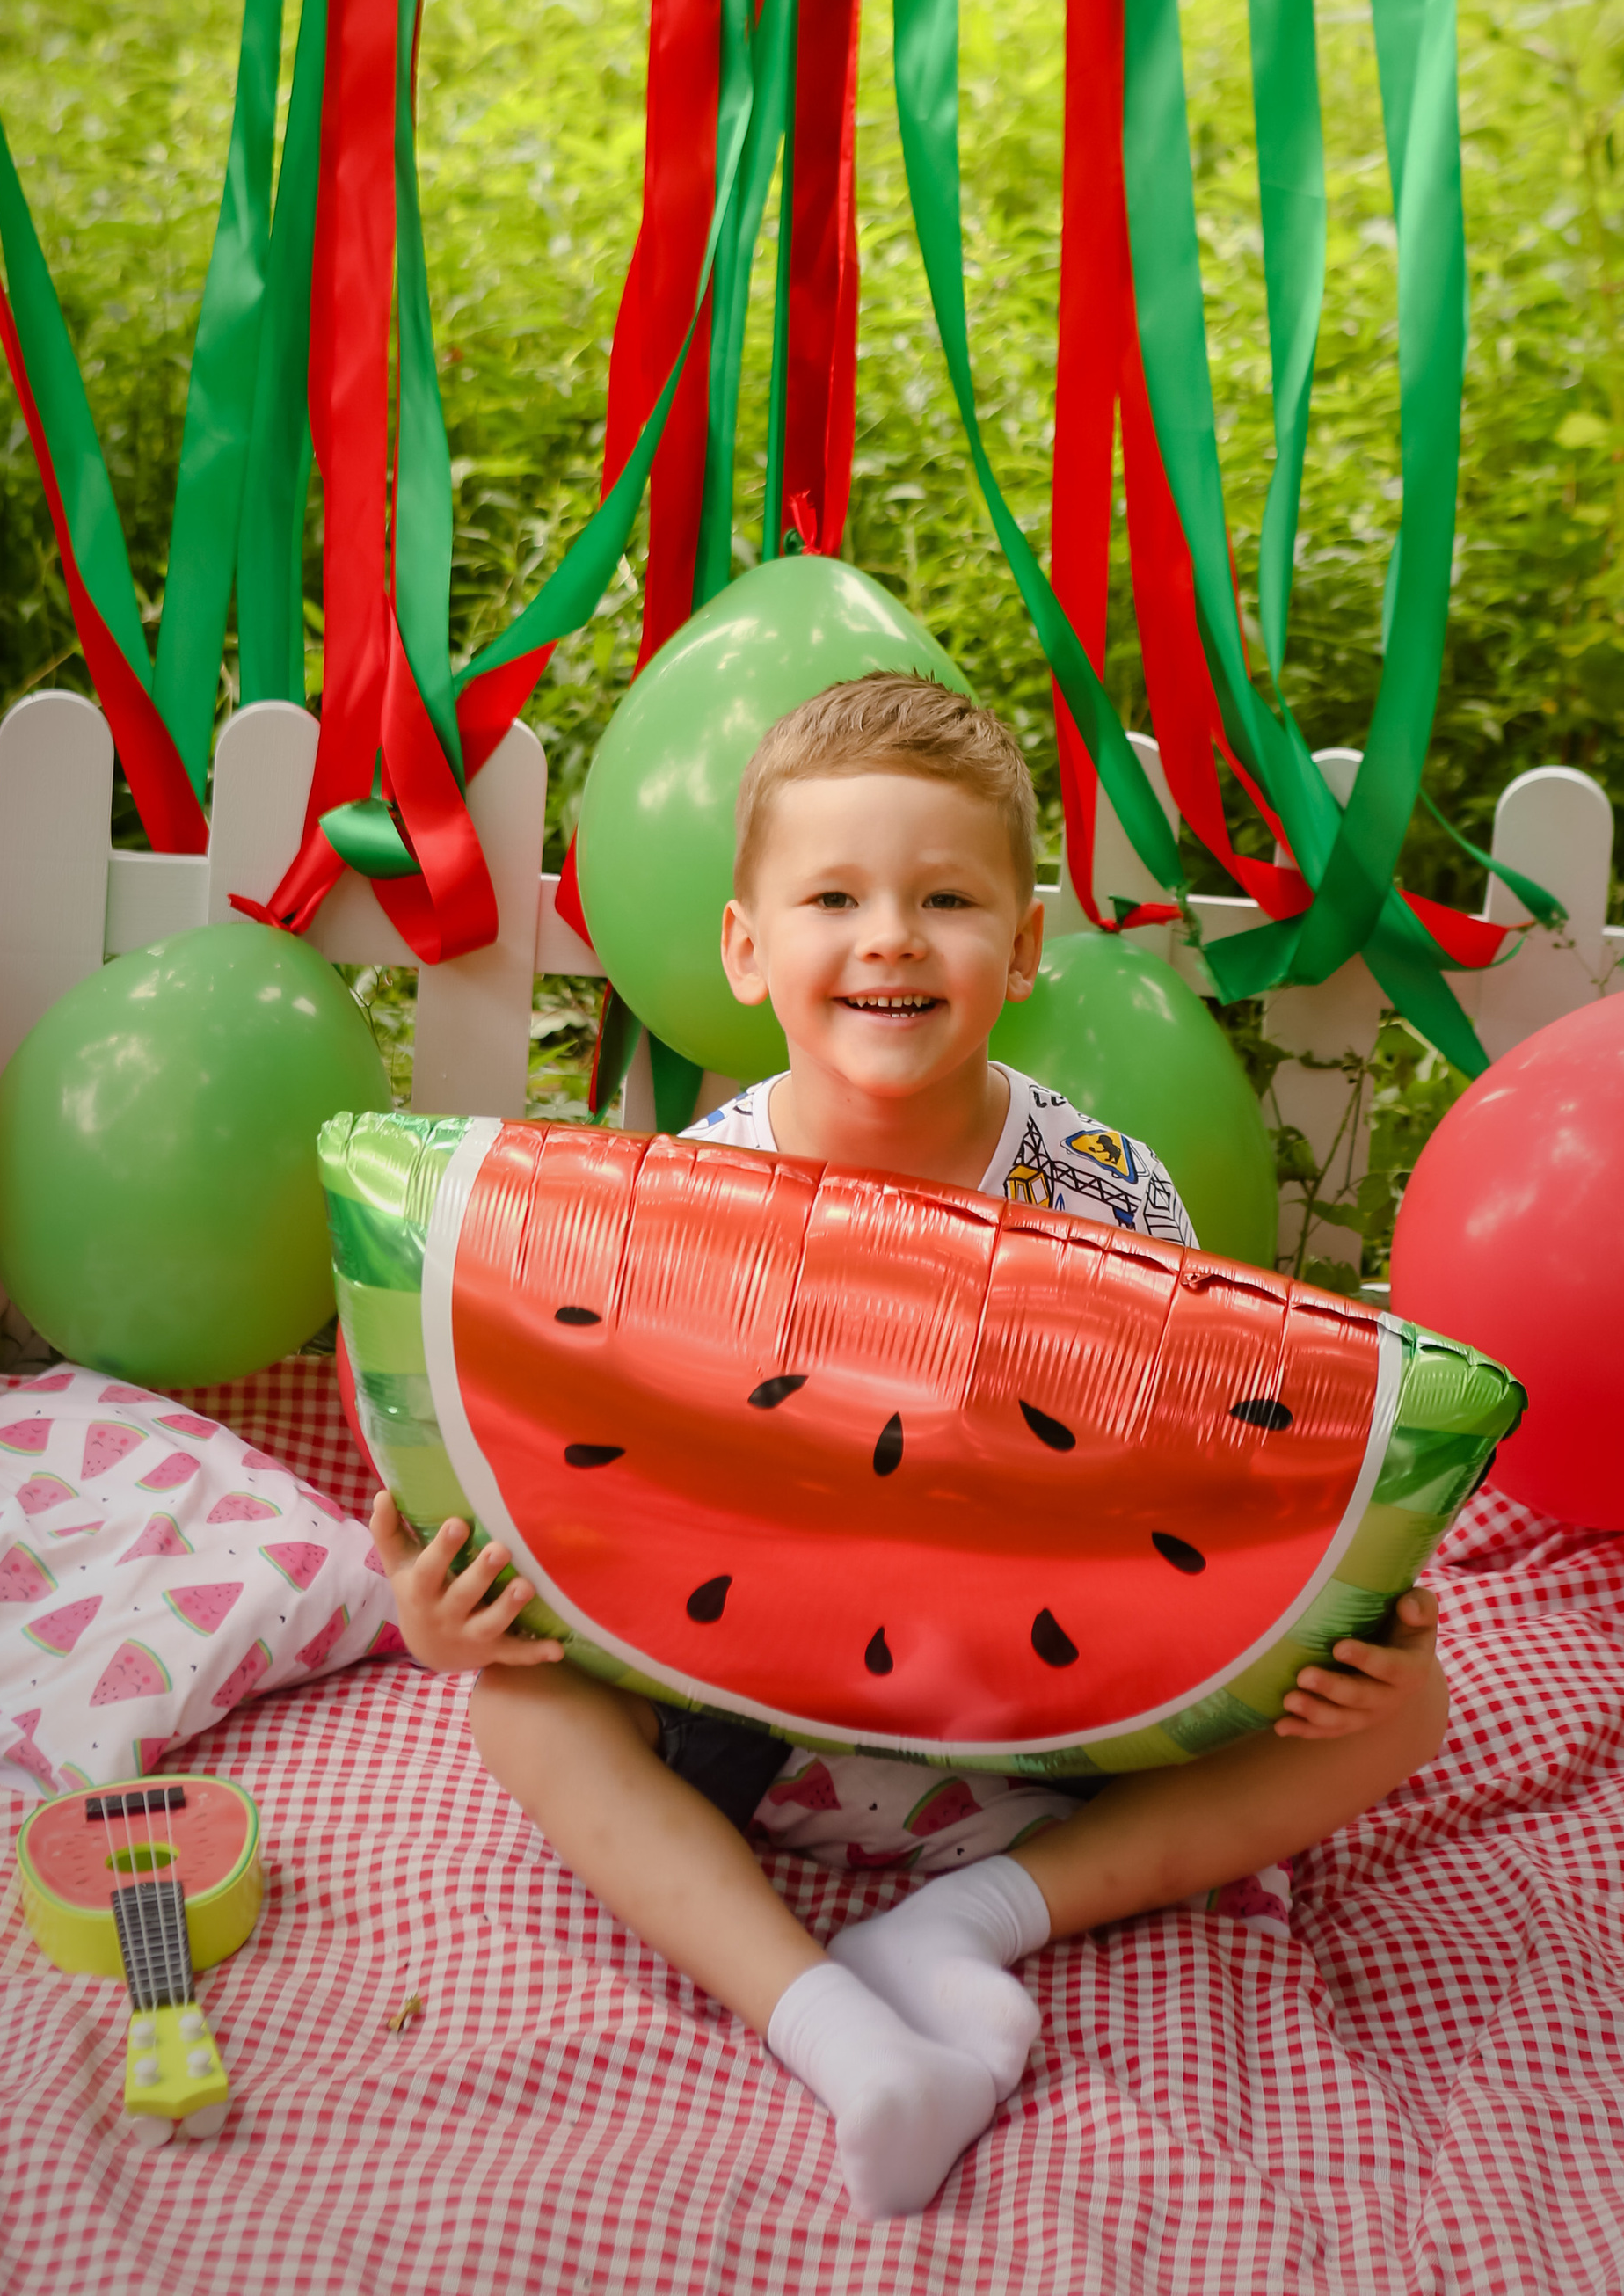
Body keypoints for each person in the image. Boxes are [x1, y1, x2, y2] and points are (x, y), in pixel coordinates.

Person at [375, 674, 1446, 2220]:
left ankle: (964, 1928)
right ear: (747, 948)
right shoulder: (683, 1196)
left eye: (945, 898)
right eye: (833, 898)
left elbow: (1200, 1485)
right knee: (513, 1709)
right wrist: (458, 1610)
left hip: (1063, 1737)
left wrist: (1347, 1623)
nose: (889, 937)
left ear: (1023, 945)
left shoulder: (1110, 1193)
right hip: (741, 1721)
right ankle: (833, 2028)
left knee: (1409, 1719)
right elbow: (607, 1487)